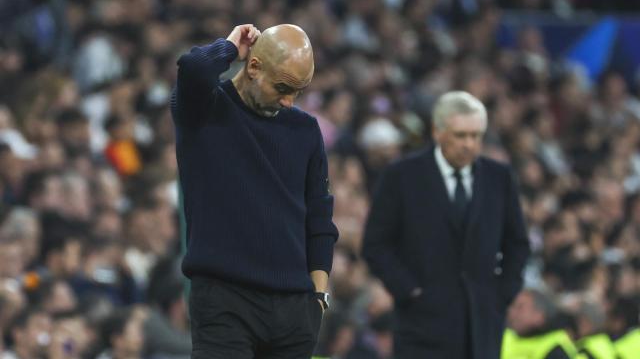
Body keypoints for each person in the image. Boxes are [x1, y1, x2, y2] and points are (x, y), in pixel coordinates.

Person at [171, 23, 338, 358]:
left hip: (294, 311)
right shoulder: (204, 110)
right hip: (224, 303)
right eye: (282, 87)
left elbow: (319, 218)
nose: (290, 102)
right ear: (254, 66)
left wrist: (318, 299)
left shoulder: (305, 129)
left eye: (299, 92)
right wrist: (231, 45)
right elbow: (193, 68)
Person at [362, 91, 530, 358]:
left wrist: (502, 294)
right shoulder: (402, 176)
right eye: (460, 135)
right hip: (421, 326)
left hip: (482, 325)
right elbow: (375, 244)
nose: (469, 144)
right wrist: (408, 290)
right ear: (437, 132)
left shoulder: (500, 178)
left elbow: (517, 244)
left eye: (476, 136)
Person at [502, 289, 577, 359]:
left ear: (539, 315)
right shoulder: (506, 334)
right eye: (512, 305)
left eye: (520, 308)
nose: (510, 311)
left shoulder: (557, 348)